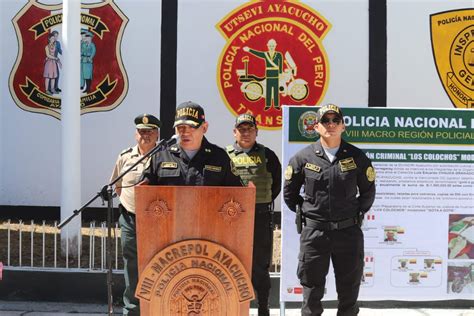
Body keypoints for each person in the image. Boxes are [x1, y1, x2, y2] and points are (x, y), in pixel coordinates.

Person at [283, 104, 376, 316]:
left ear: (343, 126)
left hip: (348, 233)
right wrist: (310, 213)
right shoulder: (303, 159)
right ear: (316, 127)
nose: (331, 125)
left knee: (349, 293)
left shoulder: (357, 157)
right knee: (311, 294)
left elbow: (368, 192)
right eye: (325, 121)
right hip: (315, 235)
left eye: (336, 121)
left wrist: (353, 215)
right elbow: (290, 195)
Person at [225, 113, 281, 316]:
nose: (246, 133)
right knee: (232, 263)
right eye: (242, 129)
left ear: (257, 132)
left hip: (260, 216)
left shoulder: (268, 155)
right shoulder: (225, 155)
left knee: (260, 266)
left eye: (250, 129)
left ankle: (263, 308)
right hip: (232, 218)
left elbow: (275, 186)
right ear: (234, 132)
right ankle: (234, 308)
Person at [110, 114, 161, 316]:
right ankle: (132, 309)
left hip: (158, 221)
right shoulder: (125, 156)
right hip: (130, 217)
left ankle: (156, 307)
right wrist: (131, 206)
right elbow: (118, 185)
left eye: (149, 132)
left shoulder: (166, 156)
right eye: (141, 132)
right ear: (135, 134)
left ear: (157, 133)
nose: (145, 136)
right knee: (132, 263)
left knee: (157, 261)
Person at [142, 100, 242, 186]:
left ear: (204, 127)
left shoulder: (220, 157)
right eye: (180, 127)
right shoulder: (160, 157)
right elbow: (144, 194)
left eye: (191, 127)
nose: (185, 132)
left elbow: (238, 194)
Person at [243, 39, 283, 110]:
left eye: (273, 46)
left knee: (276, 91)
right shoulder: (265, 54)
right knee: (268, 90)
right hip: (268, 74)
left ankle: (276, 105)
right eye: (270, 46)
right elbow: (258, 53)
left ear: (275, 46)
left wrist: (280, 73)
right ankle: (268, 105)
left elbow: (281, 65)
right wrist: (249, 50)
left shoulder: (279, 54)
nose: (271, 47)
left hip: (276, 75)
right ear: (267, 46)